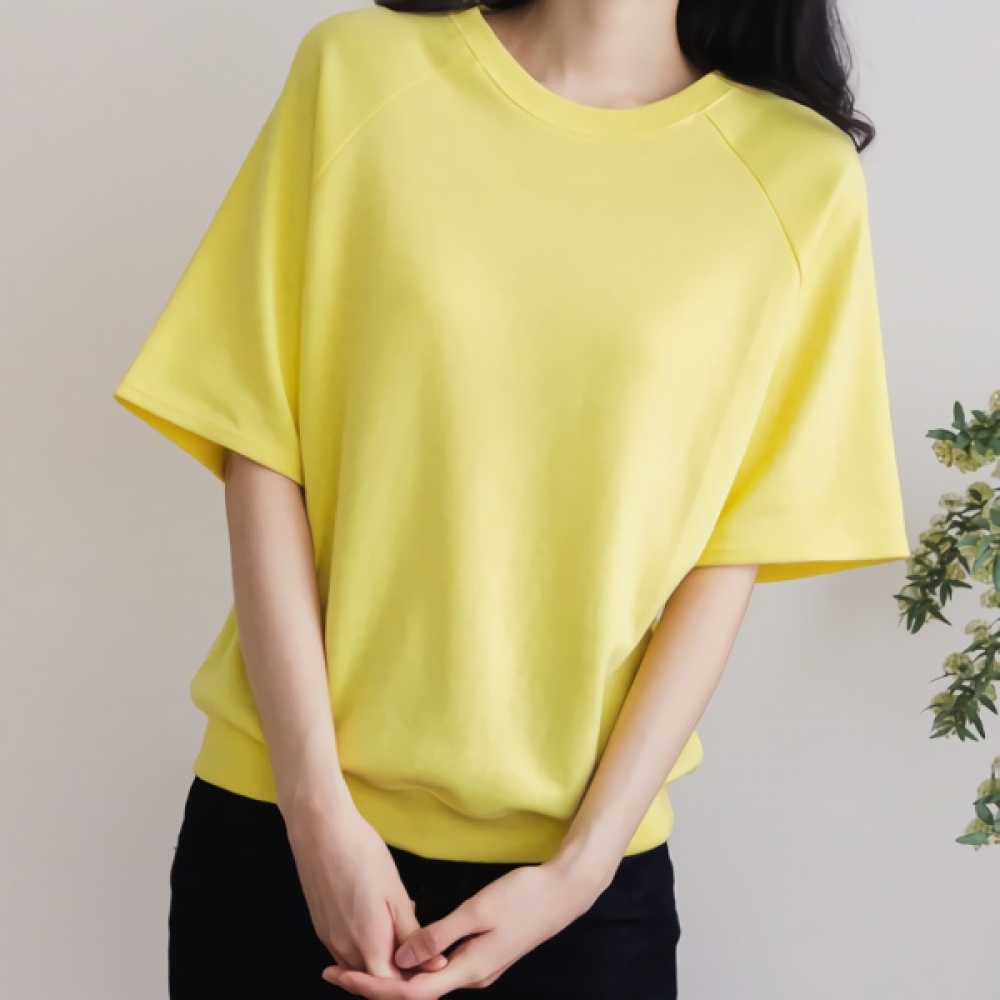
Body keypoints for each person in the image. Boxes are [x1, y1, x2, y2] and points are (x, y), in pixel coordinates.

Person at [112, 1, 911, 997]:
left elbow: (726, 551)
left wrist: (578, 872)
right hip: (281, 833)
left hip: (577, 894)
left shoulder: (798, 175)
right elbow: (262, 444)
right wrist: (315, 814)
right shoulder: (357, 73)